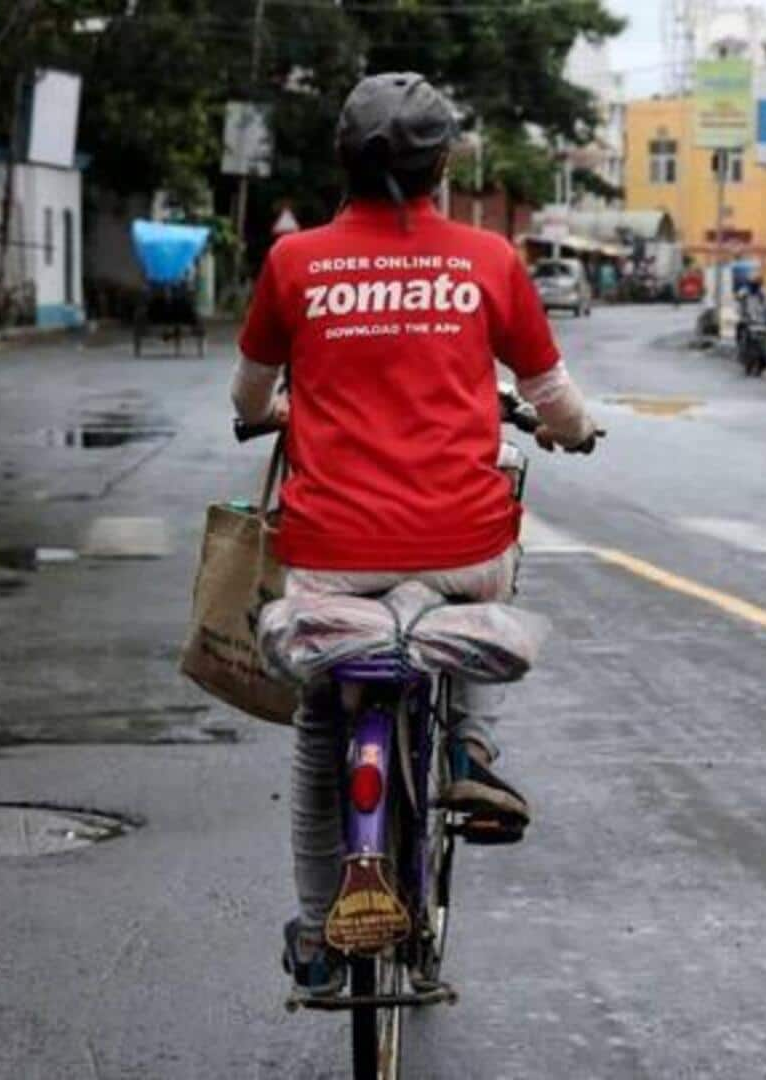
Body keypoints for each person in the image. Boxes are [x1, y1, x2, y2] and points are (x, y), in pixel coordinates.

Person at [231, 72, 600, 996]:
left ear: (343, 161)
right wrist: (573, 431)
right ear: (445, 163)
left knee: (322, 724)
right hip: (458, 549)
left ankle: (319, 934)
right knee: (487, 572)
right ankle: (471, 749)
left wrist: (273, 408)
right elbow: (553, 398)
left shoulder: (295, 262)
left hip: (330, 559)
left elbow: (247, 393)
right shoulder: (489, 258)